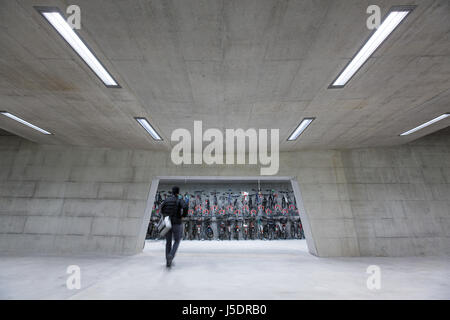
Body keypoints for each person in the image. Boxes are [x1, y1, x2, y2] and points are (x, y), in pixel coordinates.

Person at [160, 186, 188, 268]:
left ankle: (168, 262)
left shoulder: (167, 199)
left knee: (168, 242)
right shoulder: (179, 199)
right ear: (178, 192)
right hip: (177, 223)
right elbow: (185, 206)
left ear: (172, 192)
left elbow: (161, 208)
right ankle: (171, 255)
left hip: (168, 223)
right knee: (177, 240)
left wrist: (165, 215)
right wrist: (183, 215)